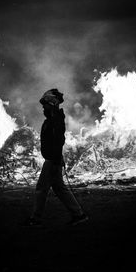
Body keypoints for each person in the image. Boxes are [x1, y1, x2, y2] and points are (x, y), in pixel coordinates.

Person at [24, 88, 89, 227]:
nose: (43, 107)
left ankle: (35, 219)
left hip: (52, 161)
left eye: (45, 104)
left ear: (52, 103)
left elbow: (59, 140)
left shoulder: (56, 120)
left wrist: (55, 159)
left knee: (41, 189)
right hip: (54, 160)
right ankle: (79, 215)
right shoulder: (53, 119)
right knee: (60, 188)